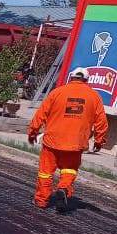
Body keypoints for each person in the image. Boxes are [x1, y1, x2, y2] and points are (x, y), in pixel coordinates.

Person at [28, 66, 108, 212]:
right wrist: (99, 141)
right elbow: (101, 121)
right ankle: (63, 188)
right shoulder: (94, 96)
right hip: (75, 143)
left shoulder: (57, 92)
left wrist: (32, 132)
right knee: (69, 170)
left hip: (52, 141)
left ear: (71, 78)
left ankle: (41, 201)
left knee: (45, 172)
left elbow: (41, 114)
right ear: (86, 80)